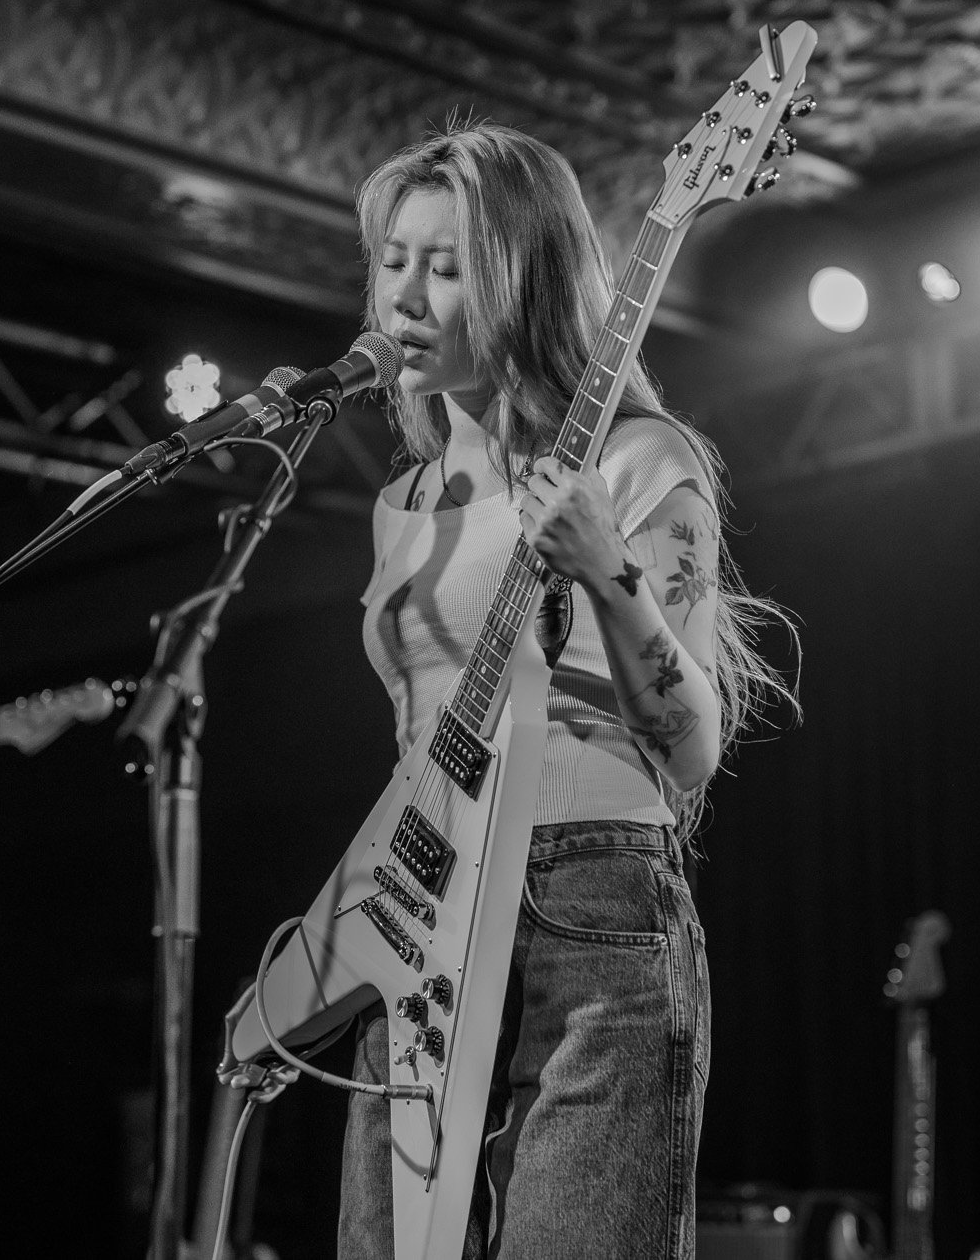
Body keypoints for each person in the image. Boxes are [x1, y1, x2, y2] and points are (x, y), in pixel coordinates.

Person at [341, 122, 794, 1257]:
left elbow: (691, 744)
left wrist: (608, 568)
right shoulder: (404, 501)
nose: (405, 296)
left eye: (446, 268)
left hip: (586, 900)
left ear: (521, 282)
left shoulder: (637, 459)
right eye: (393, 260)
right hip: (421, 916)